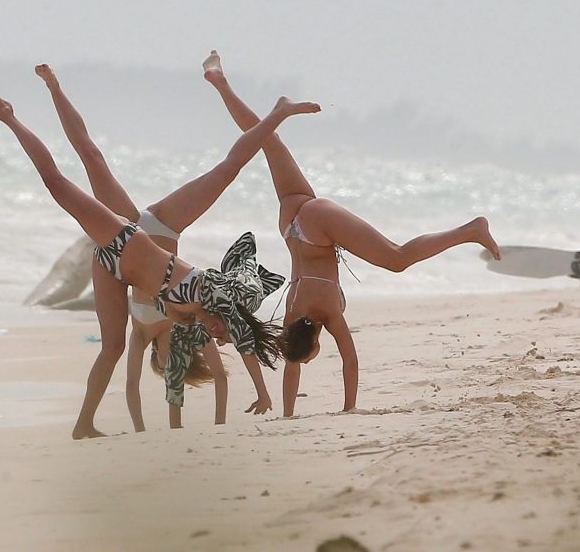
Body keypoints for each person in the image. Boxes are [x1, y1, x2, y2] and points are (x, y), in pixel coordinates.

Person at [0, 80, 319, 438]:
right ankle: (7, 115)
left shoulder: (189, 321)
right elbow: (245, 338)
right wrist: (281, 114)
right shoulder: (212, 291)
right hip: (124, 238)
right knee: (57, 180)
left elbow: (223, 361)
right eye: (224, 332)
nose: (217, 335)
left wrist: (257, 379)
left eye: (220, 338)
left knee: (113, 346)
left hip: (113, 269)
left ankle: (83, 424)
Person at [202, 50, 501, 416]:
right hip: (290, 224)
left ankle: (471, 230)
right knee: (266, 142)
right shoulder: (291, 316)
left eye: (312, 354)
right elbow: (292, 365)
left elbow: (350, 361)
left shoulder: (326, 313)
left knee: (397, 258)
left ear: (313, 340)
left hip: (314, 225)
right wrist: (288, 414)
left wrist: (349, 410)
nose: (311, 359)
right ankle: (221, 84)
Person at [35, 64, 239, 432]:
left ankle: (52, 88)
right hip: (165, 225)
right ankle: (55, 87)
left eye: (164, 364)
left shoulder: (141, 332)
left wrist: (142, 433)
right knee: (224, 173)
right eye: (174, 361)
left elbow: (130, 383)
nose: (169, 359)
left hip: (124, 229)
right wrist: (226, 419)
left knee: (90, 156)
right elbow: (223, 371)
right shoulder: (193, 327)